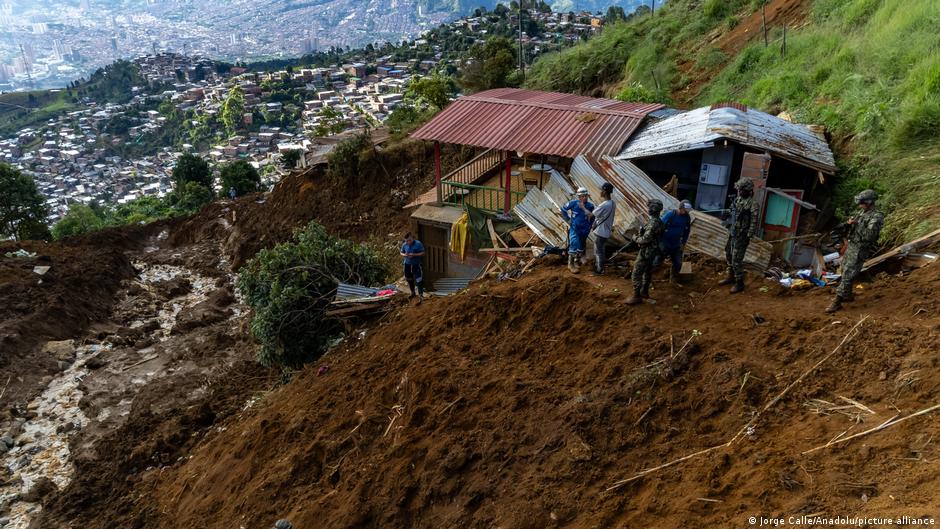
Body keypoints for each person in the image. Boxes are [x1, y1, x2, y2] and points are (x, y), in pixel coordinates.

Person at [826, 189, 884, 313]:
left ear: (869, 202)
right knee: (845, 268)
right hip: (852, 245)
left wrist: (858, 224)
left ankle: (837, 301)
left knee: (848, 273)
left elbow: (869, 235)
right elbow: (853, 227)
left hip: (861, 248)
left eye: (862, 202)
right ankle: (847, 295)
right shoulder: (862, 212)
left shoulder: (876, 216)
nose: (859, 205)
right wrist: (849, 223)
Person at [718, 178, 759, 293]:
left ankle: (739, 282)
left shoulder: (753, 204)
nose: (739, 192)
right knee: (729, 253)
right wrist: (726, 214)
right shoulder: (737, 200)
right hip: (733, 231)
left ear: (748, 190)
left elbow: (754, 221)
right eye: (739, 189)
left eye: (742, 190)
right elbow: (731, 212)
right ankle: (730, 276)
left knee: (737, 258)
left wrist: (749, 235)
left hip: (742, 235)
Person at [626, 199, 665, 305]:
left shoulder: (653, 223)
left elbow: (645, 240)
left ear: (652, 209)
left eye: (649, 207)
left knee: (636, 273)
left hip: (646, 252)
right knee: (647, 272)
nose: (648, 209)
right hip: (653, 252)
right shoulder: (659, 222)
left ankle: (636, 296)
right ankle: (644, 292)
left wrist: (635, 238)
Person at [560, 187, 595, 274]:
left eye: (586, 196)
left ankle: (576, 261)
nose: (584, 198)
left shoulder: (590, 206)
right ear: (579, 197)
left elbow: (592, 217)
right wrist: (568, 219)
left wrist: (590, 226)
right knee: (574, 244)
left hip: (584, 230)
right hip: (575, 228)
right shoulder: (573, 203)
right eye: (582, 196)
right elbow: (563, 210)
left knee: (581, 246)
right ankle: (570, 264)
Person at [658, 200, 692, 281]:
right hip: (665, 242)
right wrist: (659, 241)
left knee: (678, 263)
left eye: (688, 210)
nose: (687, 211)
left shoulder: (687, 217)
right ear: (680, 208)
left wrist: (683, 242)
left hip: (676, 244)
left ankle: (673, 278)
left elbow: (687, 231)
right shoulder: (671, 214)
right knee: (657, 262)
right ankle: (648, 279)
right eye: (685, 210)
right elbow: (660, 225)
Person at [591, 182, 617, 275]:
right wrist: (595, 223)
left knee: (599, 251)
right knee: (601, 249)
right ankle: (599, 267)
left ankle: (599, 270)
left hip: (601, 232)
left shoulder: (604, 204)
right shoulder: (612, 203)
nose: (600, 192)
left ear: (605, 192)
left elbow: (591, 214)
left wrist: (582, 207)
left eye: (601, 190)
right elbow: (600, 216)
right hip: (605, 231)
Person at [400, 232, 426, 302]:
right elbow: (401, 252)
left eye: (409, 240)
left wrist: (414, 254)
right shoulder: (404, 245)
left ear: (412, 238)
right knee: (409, 278)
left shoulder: (418, 244)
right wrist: (404, 255)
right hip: (407, 264)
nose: (408, 242)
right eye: (406, 241)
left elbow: (423, 253)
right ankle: (413, 292)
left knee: (419, 279)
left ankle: (421, 295)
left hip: (416, 264)